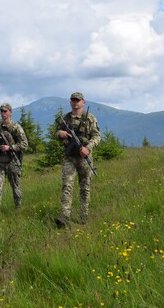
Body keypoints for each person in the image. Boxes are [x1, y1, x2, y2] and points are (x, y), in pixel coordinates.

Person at [55, 92, 101, 227]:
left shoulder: (90, 118)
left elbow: (97, 137)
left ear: (83, 102)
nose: (75, 102)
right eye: (73, 100)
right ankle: (64, 217)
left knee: (85, 188)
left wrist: (88, 148)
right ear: (70, 102)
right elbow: (56, 132)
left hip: (84, 157)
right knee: (67, 186)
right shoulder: (65, 118)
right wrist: (60, 133)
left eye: (77, 100)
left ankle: (83, 216)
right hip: (69, 157)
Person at [0, 103, 28, 221]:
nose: (3, 114)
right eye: (1, 111)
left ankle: (18, 209)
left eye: (5, 111)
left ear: (10, 112)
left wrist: (11, 148)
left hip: (12, 162)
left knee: (15, 188)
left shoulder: (16, 127)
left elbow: (25, 144)